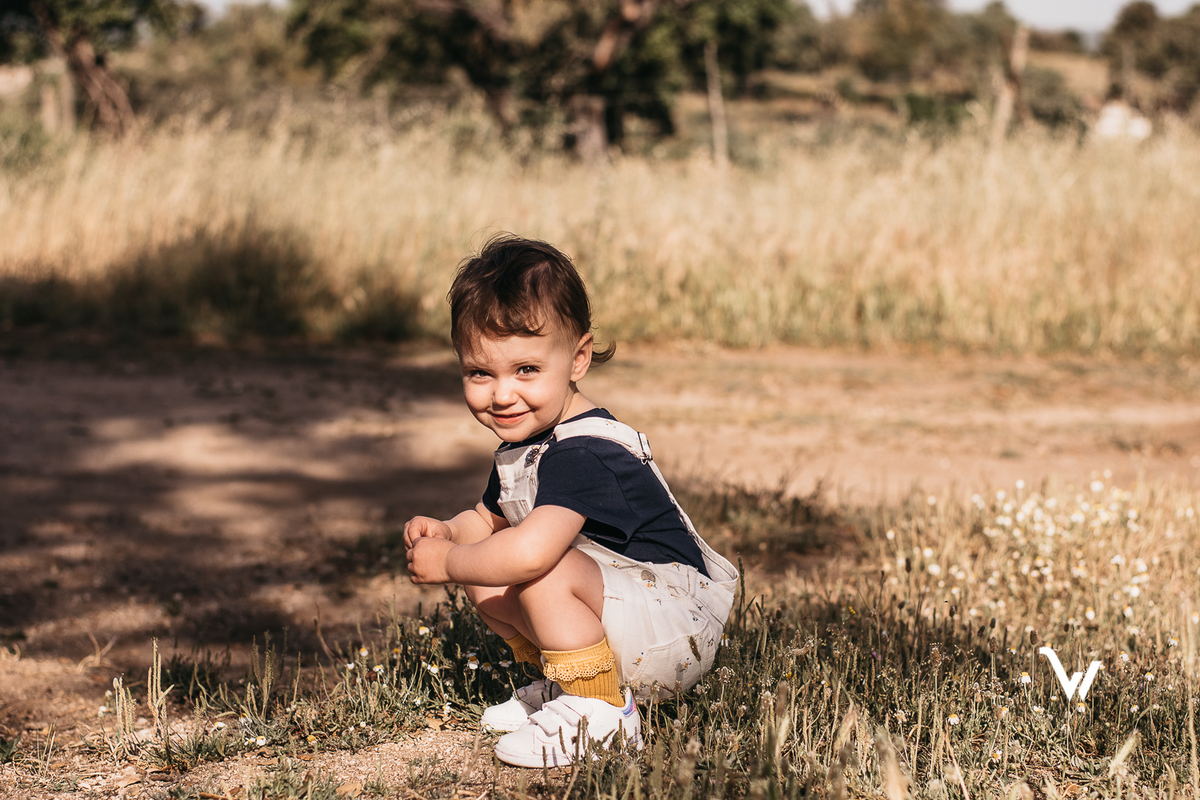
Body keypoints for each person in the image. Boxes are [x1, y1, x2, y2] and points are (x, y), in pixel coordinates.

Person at [404, 234, 738, 768]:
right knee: (486, 562)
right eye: (479, 373)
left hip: (675, 626)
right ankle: (568, 684)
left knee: (540, 567)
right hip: (626, 615)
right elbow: (484, 522)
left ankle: (600, 711)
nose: (502, 393)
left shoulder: (585, 451)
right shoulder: (525, 446)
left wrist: (446, 562)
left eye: (526, 370)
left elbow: (533, 554)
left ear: (578, 358)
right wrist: (447, 533)